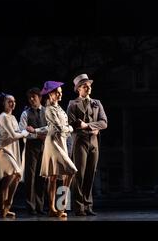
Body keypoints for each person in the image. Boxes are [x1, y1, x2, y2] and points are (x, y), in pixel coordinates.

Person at [67, 74, 108, 216]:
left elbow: (104, 122)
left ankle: (88, 205)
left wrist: (88, 126)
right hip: (80, 141)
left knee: (91, 174)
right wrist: (89, 127)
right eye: (85, 85)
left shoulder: (97, 102)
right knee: (80, 174)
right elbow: (73, 123)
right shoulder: (72, 104)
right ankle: (79, 207)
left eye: (89, 85)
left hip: (93, 141)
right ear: (79, 88)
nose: (88, 87)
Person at [40, 81, 77, 217]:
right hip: (53, 143)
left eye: (61, 92)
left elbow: (52, 127)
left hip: (60, 142)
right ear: (50, 94)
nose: (60, 94)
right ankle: (57, 207)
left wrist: (36, 130)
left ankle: (56, 208)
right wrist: (71, 128)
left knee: (56, 176)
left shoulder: (59, 108)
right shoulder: (49, 109)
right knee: (67, 171)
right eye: (57, 92)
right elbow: (59, 128)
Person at [0, 93, 29, 218]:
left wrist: (23, 130)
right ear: (3, 103)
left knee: (14, 177)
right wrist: (24, 133)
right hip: (3, 149)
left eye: (14, 101)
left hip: (12, 148)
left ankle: (4, 209)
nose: (12, 103)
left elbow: (17, 131)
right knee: (15, 174)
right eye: (9, 101)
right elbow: (14, 135)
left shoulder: (12, 117)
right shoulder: (3, 116)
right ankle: (7, 204)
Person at [18, 87, 48, 215]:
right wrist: (38, 135)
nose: (31, 99)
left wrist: (36, 131)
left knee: (42, 177)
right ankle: (31, 207)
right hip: (31, 148)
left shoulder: (46, 112)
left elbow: (50, 129)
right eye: (29, 97)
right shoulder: (25, 113)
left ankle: (40, 207)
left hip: (45, 147)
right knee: (30, 178)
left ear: (40, 98)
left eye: (34, 97)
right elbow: (22, 131)